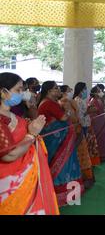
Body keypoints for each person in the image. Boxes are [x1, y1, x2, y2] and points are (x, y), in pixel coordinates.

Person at [0, 72, 59, 215]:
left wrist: (32, 117)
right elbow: (9, 155)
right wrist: (31, 134)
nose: (22, 93)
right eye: (18, 90)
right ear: (3, 92)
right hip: (9, 181)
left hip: (27, 176)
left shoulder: (14, 116)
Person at [38, 81, 84, 206]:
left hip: (61, 139)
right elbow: (63, 118)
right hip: (56, 141)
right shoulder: (48, 103)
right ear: (49, 91)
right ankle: (61, 195)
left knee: (66, 163)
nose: (59, 90)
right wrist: (68, 110)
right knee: (62, 165)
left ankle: (69, 193)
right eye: (56, 88)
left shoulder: (51, 102)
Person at [60, 85, 95, 189]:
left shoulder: (73, 101)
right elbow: (72, 116)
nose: (71, 91)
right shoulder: (66, 102)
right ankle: (81, 177)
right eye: (69, 90)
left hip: (79, 127)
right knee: (79, 152)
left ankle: (85, 176)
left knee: (84, 151)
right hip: (75, 129)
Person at [73, 82, 100, 167]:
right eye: (85, 89)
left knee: (89, 144)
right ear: (80, 90)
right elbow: (79, 115)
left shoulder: (82, 100)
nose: (86, 91)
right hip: (83, 125)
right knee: (84, 145)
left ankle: (90, 163)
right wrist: (89, 111)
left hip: (86, 124)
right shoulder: (77, 100)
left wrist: (88, 110)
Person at [89, 85, 105, 162]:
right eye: (99, 91)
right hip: (98, 123)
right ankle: (101, 155)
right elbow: (97, 112)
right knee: (100, 139)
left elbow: (104, 109)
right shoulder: (93, 101)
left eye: (100, 91)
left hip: (103, 122)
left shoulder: (99, 100)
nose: (101, 92)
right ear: (95, 93)